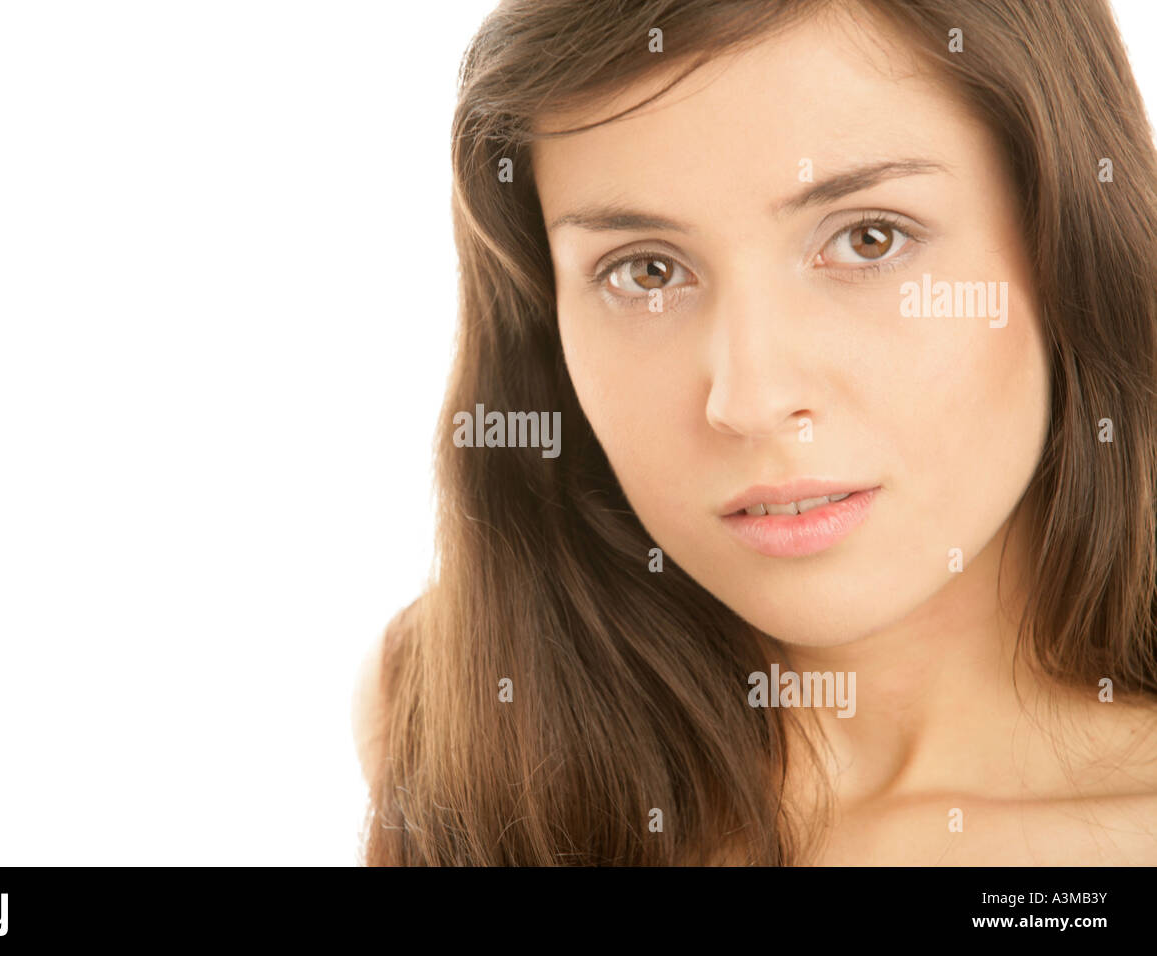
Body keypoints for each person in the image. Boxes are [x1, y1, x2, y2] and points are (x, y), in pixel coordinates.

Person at [357, 0, 1157, 865]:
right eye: (647, 270)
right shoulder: (444, 714)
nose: (750, 397)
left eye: (868, 238)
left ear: (1068, 239)